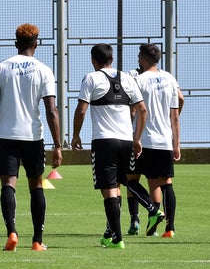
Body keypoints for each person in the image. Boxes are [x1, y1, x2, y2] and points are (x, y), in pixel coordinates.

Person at [0, 23, 63, 252]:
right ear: (36, 44)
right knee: (36, 186)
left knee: (8, 184)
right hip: (33, 136)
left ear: (16, 43)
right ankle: (37, 240)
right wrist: (58, 145)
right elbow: (51, 110)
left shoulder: (0, 67)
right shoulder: (44, 70)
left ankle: (12, 233)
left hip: (6, 135)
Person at [72, 43, 162, 249]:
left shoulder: (91, 78)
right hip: (126, 141)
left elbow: (82, 109)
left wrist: (76, 135)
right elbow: (142, 109)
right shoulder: (127, 78)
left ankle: (117, 238)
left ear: (94, 60)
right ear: (111, 59)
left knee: (109, 189)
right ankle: (110, 232)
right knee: (121, 185)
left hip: (104, 141)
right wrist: (137, 138)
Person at [126, 43, 182, 237]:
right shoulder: (170, 79)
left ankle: (147, 212)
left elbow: (136, 111)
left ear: (143, 58)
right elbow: (174, 115)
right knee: (165, 182)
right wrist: (176, 144)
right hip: (165, 139)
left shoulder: (139, 81)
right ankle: (169, 228)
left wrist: (134, 137)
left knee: (130, 180)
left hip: (145, 140)